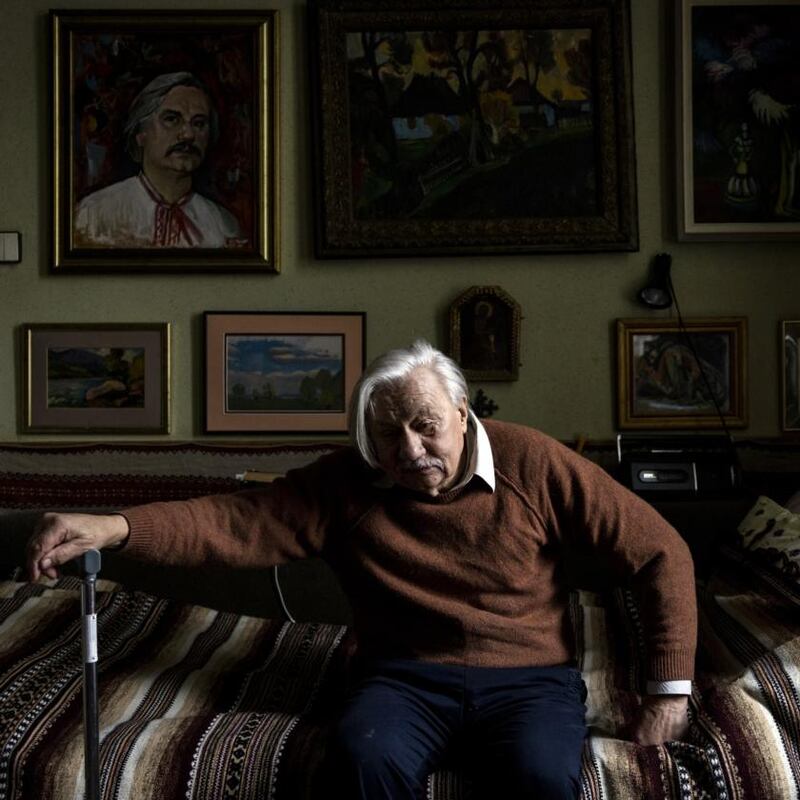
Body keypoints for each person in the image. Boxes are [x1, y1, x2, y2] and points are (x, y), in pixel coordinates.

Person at [27, 340, 695, 799]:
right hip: (403, 677)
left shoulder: (535, 463)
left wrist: (667, 694)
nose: (409, 449)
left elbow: (660, 551)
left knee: (543, 778)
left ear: (463, 415)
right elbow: (233, 522)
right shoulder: (346, 483)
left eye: (426, 425)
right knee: (360, 760)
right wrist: (115, 527)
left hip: (531, 679)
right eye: (386, 434)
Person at [74, 71, 244, 248]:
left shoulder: (225, 226)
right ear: (141, 133)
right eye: (172, 119)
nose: (188, 135)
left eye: (199, 123)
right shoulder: (93, 214)